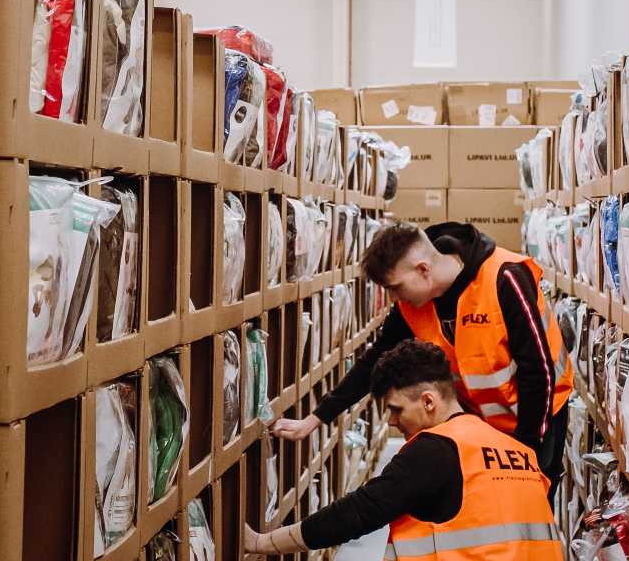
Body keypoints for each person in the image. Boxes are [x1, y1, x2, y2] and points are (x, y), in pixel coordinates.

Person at [271, 222, 573, 491]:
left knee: (529, 512)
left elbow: (539, 372)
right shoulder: (412, 305)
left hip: (540, 420)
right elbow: (374, 362)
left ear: (423, 269)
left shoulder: (504, 277)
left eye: (395, 287)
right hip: (481, 424)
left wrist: (525, 452)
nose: (394, 298)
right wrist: (316, 418)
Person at [245, 340, 563, 559]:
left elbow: (355, 514)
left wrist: (261, 543)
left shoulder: (436, 450)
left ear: (428, 401)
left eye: (396, 409)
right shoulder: (515, 450)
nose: (393, 422)